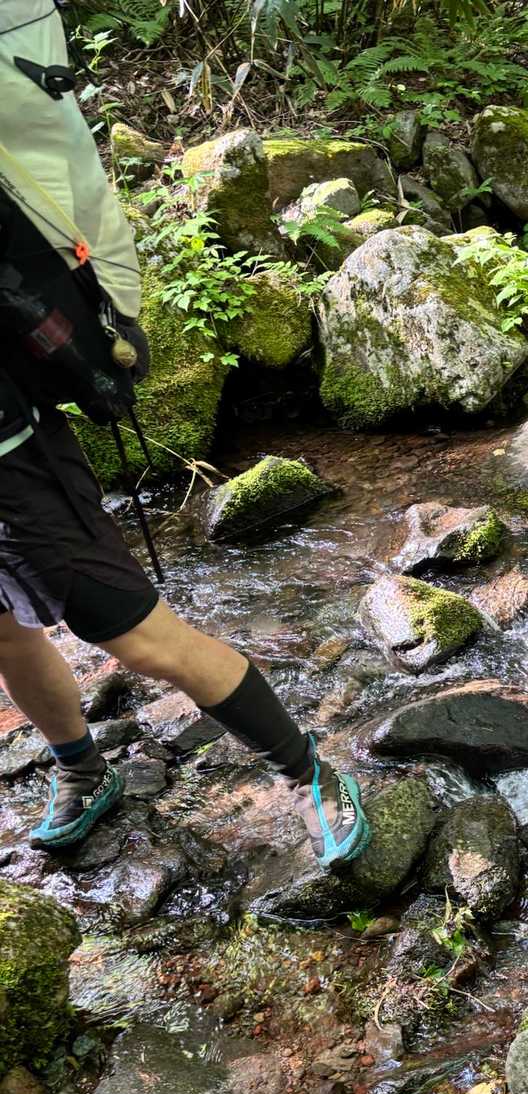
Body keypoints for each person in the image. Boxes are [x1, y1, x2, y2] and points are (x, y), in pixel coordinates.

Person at [0, 0, 371, 867]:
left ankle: (310, 772)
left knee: (139, 639)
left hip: (16, 463)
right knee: (7, 633)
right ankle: (82, 769)